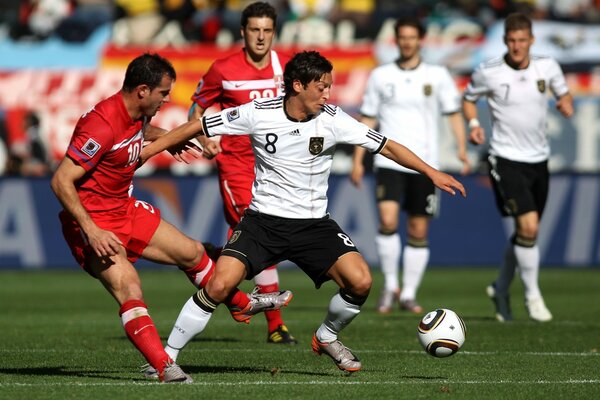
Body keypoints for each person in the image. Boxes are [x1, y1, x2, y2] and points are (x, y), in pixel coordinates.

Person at [142, 50, 466, 372]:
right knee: (218, 286)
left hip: (313, 225)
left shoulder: (334, 119)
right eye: (322, 87)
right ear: (297, 85)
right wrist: (150, 150)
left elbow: (387, 145)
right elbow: (198, 125)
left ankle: (327, 336)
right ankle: (166, 358)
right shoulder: (258, 112)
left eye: (330, 86)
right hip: (263, 222)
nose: (328, 94)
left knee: (361, 282)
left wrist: (431, 172)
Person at [50, 53, 292, 383]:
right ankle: (165, 367)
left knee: (192, 252)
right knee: (130, 288)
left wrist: (167, 141)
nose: (167, 100)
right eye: (164, 93)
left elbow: (140, 133)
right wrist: (91, 231)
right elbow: (61, 180)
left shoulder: (138, 112)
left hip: (124, 209)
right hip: (93, 223)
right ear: (142, 90)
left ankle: (240, 304)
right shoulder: (102, 123)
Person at [189, 1, 297, 344]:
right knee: (261, 233)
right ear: (243, 32)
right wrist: (204, 136)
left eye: (267, 30)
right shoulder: (223, 69)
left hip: (276, 167)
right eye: (255, 30)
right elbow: (198, 106)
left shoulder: (287, 69)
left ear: (274, 33)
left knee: (252, 242)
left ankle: (212, 258)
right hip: (236, 166)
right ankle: (276, 325)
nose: (261, 37)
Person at [350, 16, 470, 315]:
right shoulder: (381, 76)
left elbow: (453, 113)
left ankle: (410, 294)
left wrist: (463, 148)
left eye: (411, 37)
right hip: (388, 160)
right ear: (396, 40)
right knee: (388, 221)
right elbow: (367, 119)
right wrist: (357, 160)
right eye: (401, 37)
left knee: (418, 229)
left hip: (426, 163)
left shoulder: (437, 75)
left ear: (421, 40)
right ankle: (391, 287)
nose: (406, 42)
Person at [462, 12, 573, 322]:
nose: (516, 46)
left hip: (538, 159)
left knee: (527, 234)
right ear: (505, 41)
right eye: (511, 40)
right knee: (529, 227)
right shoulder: (489, 71)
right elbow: (468, 98)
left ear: (532, 40)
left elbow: (564, 92)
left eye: (522, 40)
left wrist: (566, 102)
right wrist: (473, 123)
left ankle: (500, 288)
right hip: (505, 157)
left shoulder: (547, 66)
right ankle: (532, 296)